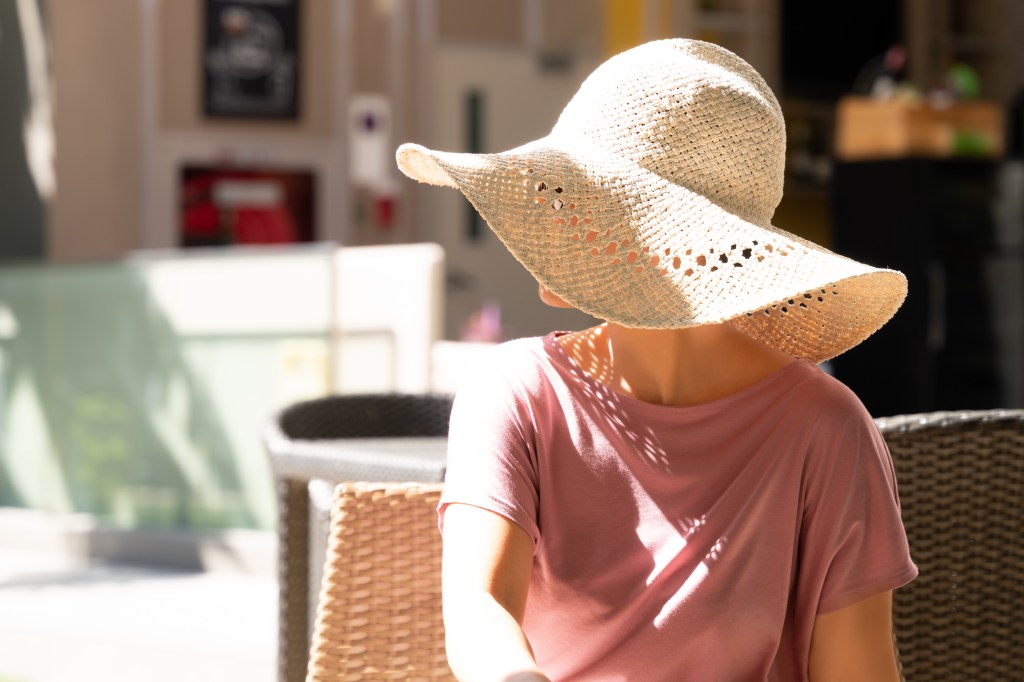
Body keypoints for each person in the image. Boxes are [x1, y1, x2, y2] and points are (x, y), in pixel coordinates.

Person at [396, 39, 917, 682]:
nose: (548, 225)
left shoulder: (827, 429)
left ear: (661, 242)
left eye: (574, 202)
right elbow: (478, 608)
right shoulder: (517, 393)